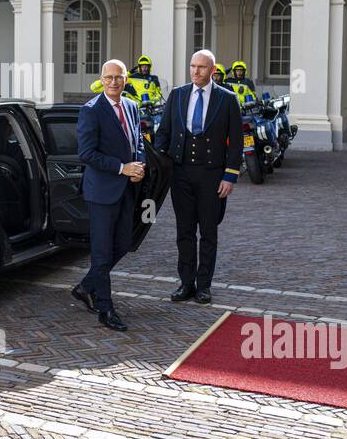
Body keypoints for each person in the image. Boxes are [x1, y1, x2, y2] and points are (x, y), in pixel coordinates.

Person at [153, 49, 243, 305]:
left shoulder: (227, 99)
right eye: (193, 66)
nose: (196, 71)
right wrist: (161, 166)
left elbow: (236, 143)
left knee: (208, 232)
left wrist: (230, 176)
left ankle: (204, 286)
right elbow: (164, 133)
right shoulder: (178, 94)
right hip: (181, 174)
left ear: (212, 70)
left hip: (212, 176)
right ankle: (186, 283)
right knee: (184, 231)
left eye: (201, 67)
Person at [70, 59, 144, 332]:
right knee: (101, 253)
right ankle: (105, 308)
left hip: (126, 189)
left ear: (126, 80)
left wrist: (139, 166)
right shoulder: (91, 110)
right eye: (109, 77)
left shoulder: (132, 106)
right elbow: (86, 154)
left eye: (119, 77)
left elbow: (137, 141)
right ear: (101, 79)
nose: (114, 81)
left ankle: (86, 286)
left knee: (123, 244)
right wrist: (121, 168)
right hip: (101, 192)